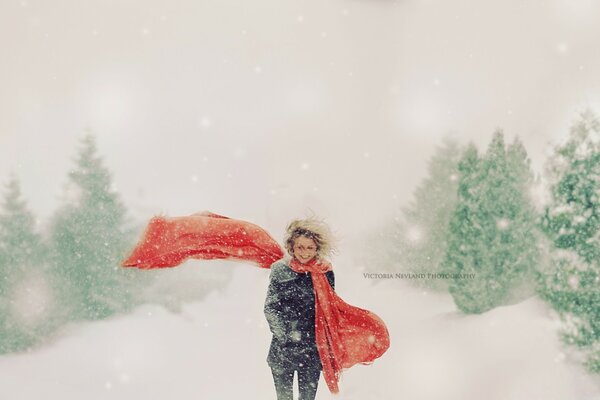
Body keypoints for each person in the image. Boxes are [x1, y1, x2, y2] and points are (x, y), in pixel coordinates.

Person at [264, 218, 336, 400]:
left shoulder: (325, 271)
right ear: (292, 247)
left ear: (317, 249)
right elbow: (271, 307)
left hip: (312, 350)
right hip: (283, 350)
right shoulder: (280, 270)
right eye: (300, 247)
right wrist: (285, 335)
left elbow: (329, 308)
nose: (304, 253)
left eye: (310, 248)